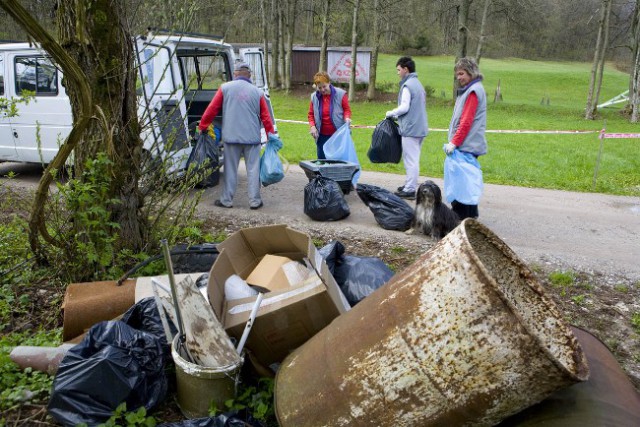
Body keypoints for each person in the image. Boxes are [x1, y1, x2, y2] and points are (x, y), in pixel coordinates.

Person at [198, 61, 276, 210]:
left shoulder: (225, 88)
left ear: (235, 74)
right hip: (252, 138)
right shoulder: (257, 92)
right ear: (249, 75)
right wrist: (271, 134)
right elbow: (266, 117)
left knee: (230, 169)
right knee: (253, 170)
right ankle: (255, 201)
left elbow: (212, 109)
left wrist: (203, 125)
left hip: (231, 137)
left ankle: (227, 200)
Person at [443, 57, 487, 219]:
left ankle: (460, 217)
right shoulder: (471, 89)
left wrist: (454, 142)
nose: (459, 77)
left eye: (461, 74)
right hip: (466, 145)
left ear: (471, 72)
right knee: (466, 182)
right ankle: (470, 217)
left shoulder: (473, 91)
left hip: (466, 146)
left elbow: (466, 121)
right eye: (457, 75)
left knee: (462, 183)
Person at [385, 56, 429, 200]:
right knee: (413, 158)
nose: (397, 72)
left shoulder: (408, 85)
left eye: (399, 69)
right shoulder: (418, 84)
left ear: (406, 69)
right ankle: (409, 185)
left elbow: (404, 107)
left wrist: (391, 113)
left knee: (411, 160)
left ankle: (410, 189)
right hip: (420, 127)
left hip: (411, 129)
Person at [308, 71, 352, 159]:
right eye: (319, 88)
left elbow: (347, 110)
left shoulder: (340, 94)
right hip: (321, 136)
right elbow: (311, 114)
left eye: (324, 86)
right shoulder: (314, 97)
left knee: (338, 161)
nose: (322, 90)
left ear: (329, 83)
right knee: (322, 161)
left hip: (338, 135)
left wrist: (347, 118)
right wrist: (312, 126)